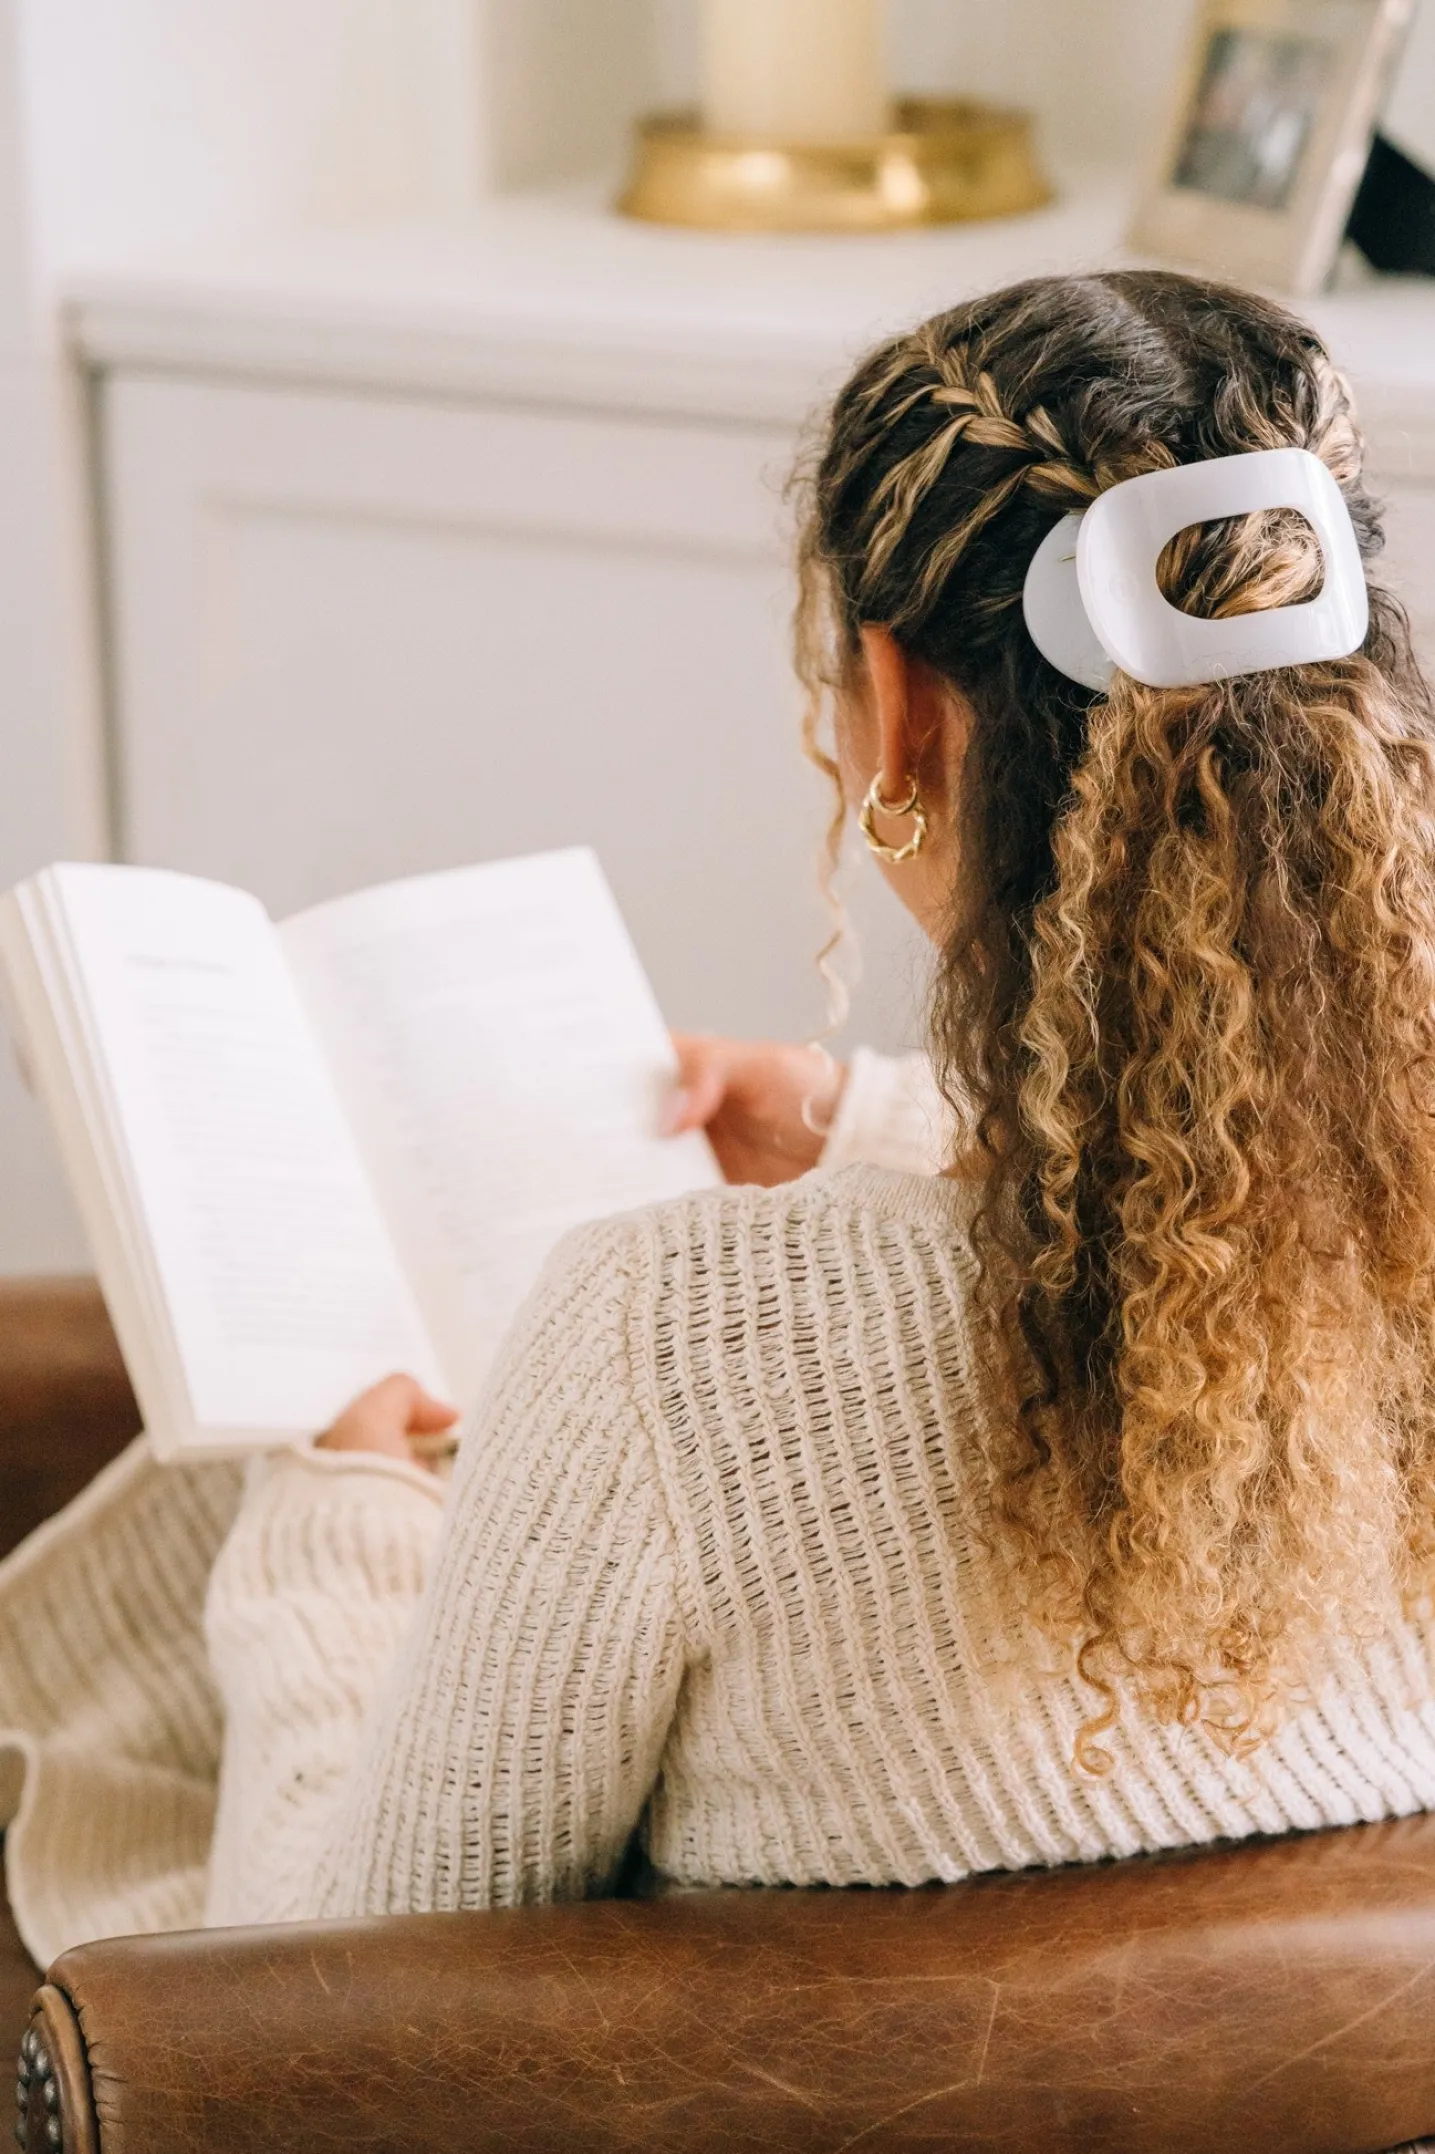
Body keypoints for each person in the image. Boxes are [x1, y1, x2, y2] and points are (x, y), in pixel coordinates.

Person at [8, 267, 1435, 1962]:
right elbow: (1169, 1203)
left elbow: (324, 2005)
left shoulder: (670, 1348)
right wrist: (869, 1123)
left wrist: (338, 1517)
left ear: (898, 716)